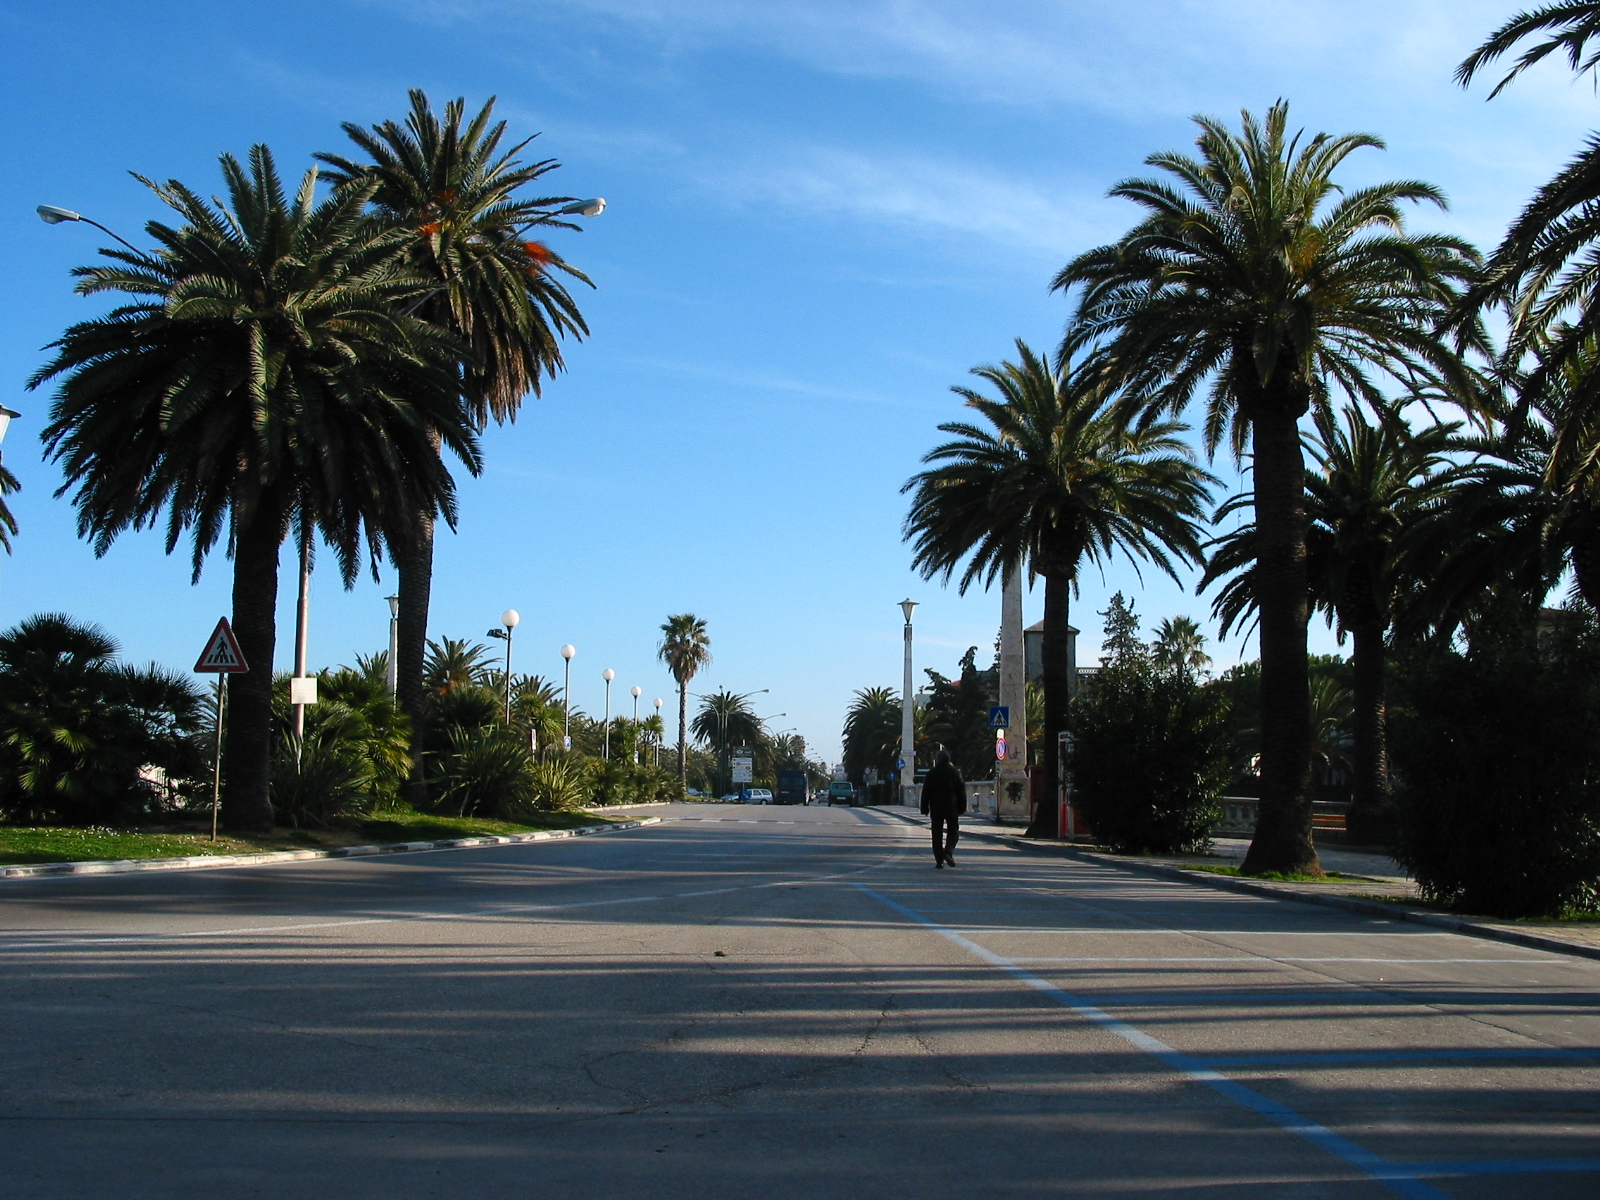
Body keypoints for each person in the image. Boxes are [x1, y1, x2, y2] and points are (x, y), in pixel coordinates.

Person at [919, 749, 966, 868]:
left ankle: (939, 861)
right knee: (953, 831)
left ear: (938, 760)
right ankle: (948, 852)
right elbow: (961, 791)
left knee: (937, 834)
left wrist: (924, 808)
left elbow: (926, 792)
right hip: (952, 807)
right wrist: (962, 807)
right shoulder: (955, 773)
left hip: (936, 807)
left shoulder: (932, 773)